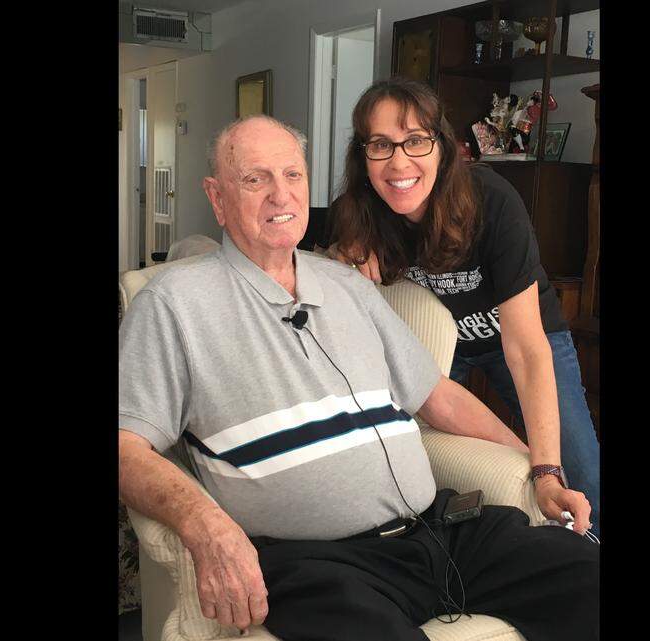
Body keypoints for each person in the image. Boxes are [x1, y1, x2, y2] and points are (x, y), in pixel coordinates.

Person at [118, 115, 598, 641]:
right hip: (319, 565)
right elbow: (127, 447)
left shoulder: (348, 284)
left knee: (585, 572)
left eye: (293, 175)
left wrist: (542, 473)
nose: (281, 195)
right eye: (255, 179)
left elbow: (438, 398)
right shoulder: (173, 304)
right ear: (217, 196)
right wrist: (205, 526)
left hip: (438, 532)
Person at [324, 77, 602, 537]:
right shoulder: (357, 214)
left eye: (415, 140)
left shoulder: (491, 201)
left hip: (521, 337)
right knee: (414, 452)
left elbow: (527, 349)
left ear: (443, 147)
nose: (399, 162)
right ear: (363, 155)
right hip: (441, 349)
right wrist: (341, 252)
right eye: (380, 145)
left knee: (579, 467)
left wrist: (547, 467)